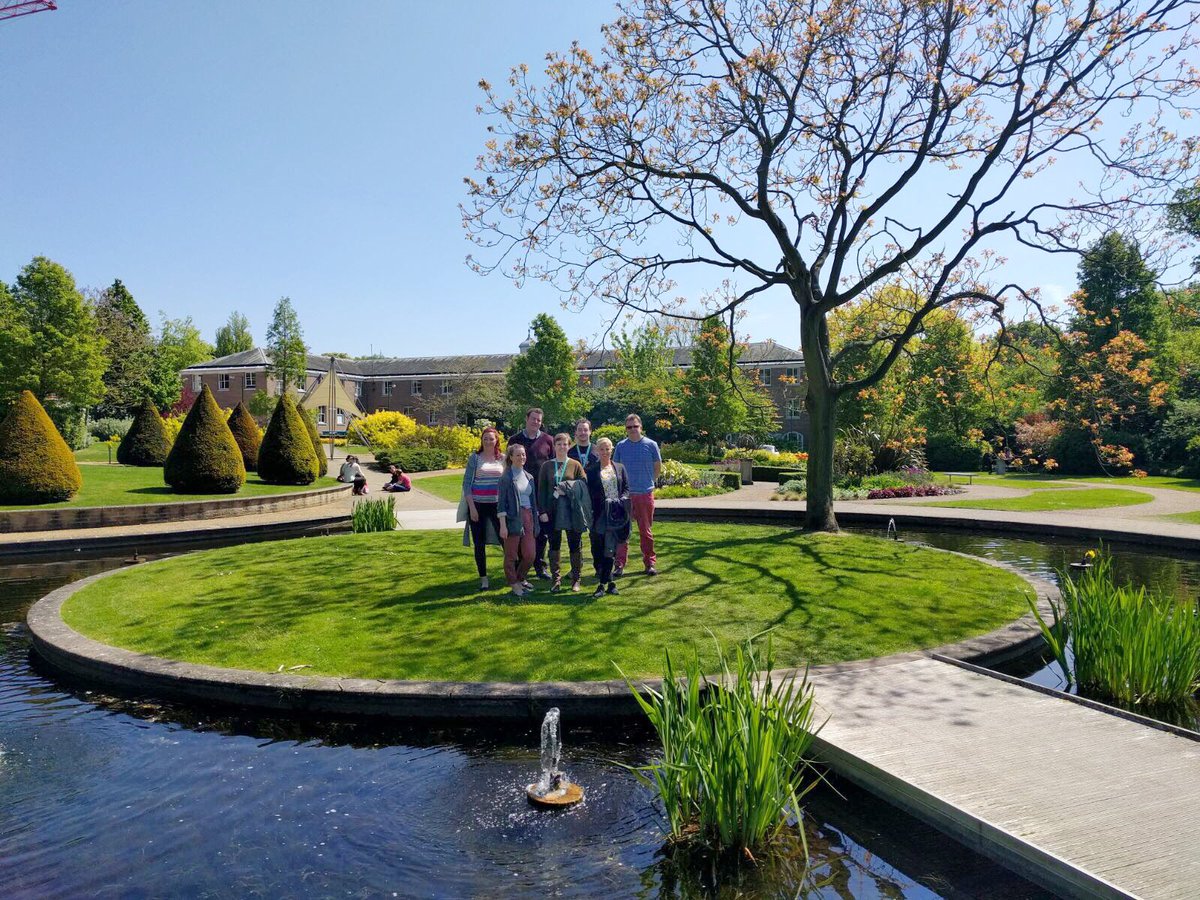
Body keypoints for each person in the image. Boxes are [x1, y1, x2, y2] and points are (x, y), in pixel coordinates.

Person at [537, 433, 589, 593]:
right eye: (558, 444)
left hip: (572, 510)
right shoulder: (546, 466)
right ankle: (556, 580)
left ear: (568, 446)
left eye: (565, 444)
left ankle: (576, 580)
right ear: (554, 446)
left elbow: (583, 483)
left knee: (575, 544)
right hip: (552, 512)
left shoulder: (575, 464)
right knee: (554, 544)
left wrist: (566, 487)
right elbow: (541, 491)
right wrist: (542, 511)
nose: (562, 447)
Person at [508, 408, 555, 578]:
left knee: (541, 532)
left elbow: (554, 465)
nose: (536, 422)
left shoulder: (548, 440)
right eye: (533, 419)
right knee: (521, 531)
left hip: (542, 493)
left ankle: (540, 566)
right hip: (520, 492)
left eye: (539, 420)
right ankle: (522, 567)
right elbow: (508, 465)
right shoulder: (515, 440)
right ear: (526, 419)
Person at [613, 414, 662, 576]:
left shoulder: (651, 445)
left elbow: (657, 467)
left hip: (644, 494)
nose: (632, 429)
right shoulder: (620, 446)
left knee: (645, 531)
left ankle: (649, 563)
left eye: (635, 426)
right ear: (625, 429)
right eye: (629, 427)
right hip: (625, 496)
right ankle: (619, 564)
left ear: (641, 427)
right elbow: (615, 469)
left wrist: (649, 482)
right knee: (622, 531)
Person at [458, 427, 505, 590]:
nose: (488, 441)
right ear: (482, 440)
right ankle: (484, 579)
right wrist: (472, 508)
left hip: (497, 506)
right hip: (478, 505)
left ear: (496, 440)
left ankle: (512, 574)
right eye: (485, 438)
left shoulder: (502, 459)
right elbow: (467, 484)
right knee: (479, 543)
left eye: (491, 438)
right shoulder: (475, 458)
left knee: (505, 540)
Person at [585, 437, 630, 597]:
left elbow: (625, 488)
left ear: (612, 450)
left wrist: (621, 501)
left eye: (607, 449)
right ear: (597, 450)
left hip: (615, 514)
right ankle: (609, 582)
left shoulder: (620, 468)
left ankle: (603, 585)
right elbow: (588, 493)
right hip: (598, 515)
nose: (604, 452)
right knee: (598, 548)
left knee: (610, 549)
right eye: (601, 449)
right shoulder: (591, 470)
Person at [496, 442, 540, 597]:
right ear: (511, 457)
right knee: (511, 555)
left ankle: (520, 578)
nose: (521, 457)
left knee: (530, 555)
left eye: (523, 454)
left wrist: (535, 519)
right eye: (518, 455)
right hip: (512, 518)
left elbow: (533, 501)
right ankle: (513, 584)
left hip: (528, 516)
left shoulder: (529, 477)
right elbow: (501, 503)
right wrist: (503, 525)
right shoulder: (506, 478)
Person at [567, 418, 602, 577]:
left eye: (585, 430)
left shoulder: (597, 450)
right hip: (575, 499)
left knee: (595, 534)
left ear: (590, 432)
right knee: (575, 535)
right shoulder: (570, 452)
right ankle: (576, 568)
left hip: (594, 498)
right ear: (575, 433)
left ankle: (599, 567)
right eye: (580, 430)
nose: (583, 433)